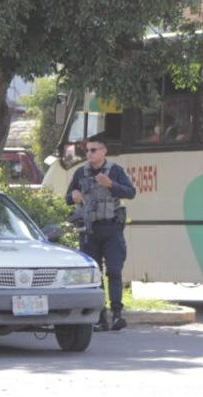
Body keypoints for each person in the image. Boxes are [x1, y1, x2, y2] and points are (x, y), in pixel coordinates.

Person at [65, 133, 136, 331]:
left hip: (111, 228)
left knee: (114, 271)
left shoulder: (115, 171)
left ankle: (117, 315)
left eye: (93, 150)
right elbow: (68, 198)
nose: (89, 153)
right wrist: (73, 195)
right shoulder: (80, 172)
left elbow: (131, 192)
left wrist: (111, 184)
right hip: (89, 230)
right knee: (94, 274)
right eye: (87, 150)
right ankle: (100, 316)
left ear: (104, 151)